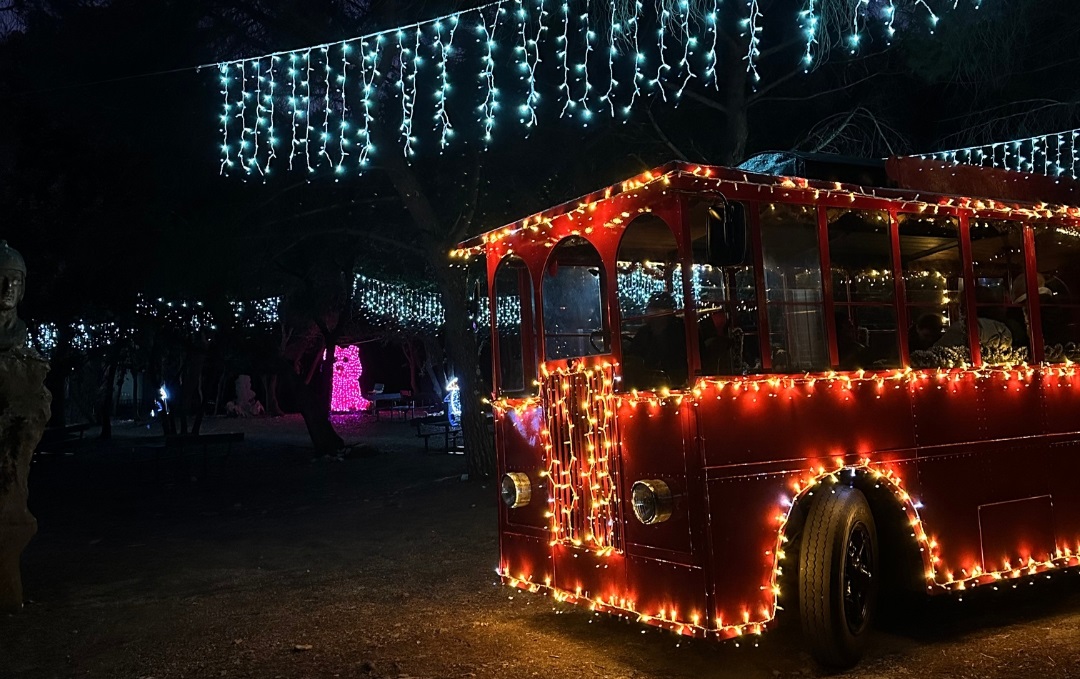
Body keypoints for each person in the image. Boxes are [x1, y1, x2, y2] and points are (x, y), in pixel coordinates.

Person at [624, 292, 687, 388]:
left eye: (655, 310)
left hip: (675, 381)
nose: (650, 313)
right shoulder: (644, 332)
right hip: (647, 381)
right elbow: (634, 354)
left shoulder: (680, 331)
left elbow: (677, 361)